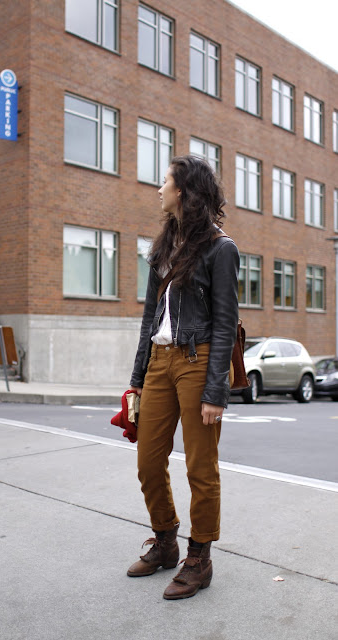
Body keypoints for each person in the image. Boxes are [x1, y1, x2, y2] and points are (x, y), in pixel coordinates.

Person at [127, 155, 239, 600]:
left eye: (166, 181)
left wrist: (216, 391)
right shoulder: (163, 246)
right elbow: (148, 319)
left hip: (198, 361)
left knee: (200, 468)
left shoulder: (220, 248)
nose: (159, 189)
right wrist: (136, 378)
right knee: (148, 462)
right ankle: (166, 541)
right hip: (159, 361)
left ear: (184, 191)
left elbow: (226, 322)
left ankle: (200, 559)